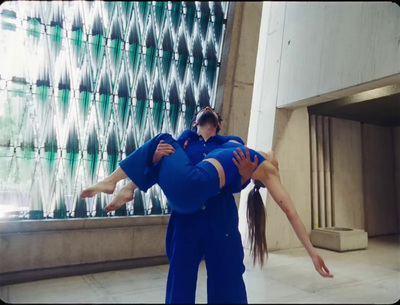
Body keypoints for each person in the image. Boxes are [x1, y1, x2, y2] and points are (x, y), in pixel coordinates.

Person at [81, 107, 333, 303]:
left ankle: (120, 184)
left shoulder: (230, 142)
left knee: (227, 281)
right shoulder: (184, 141)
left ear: (218, 123)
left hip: (218, 217)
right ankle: (123, 186)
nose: (208, 109)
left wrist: (246, 176)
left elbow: (241, 182)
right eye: (204, 110)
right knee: (180, 281)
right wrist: (155, 156)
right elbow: (166, 170)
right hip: (186, 217)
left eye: (212, 111)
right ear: (195, 122)